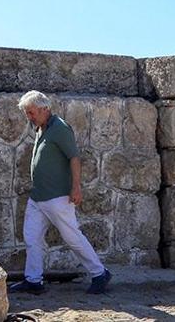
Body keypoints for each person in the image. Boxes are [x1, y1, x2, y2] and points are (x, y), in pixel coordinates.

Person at [9, 90, 111, 295]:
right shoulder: (41, 128)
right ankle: (33, 280)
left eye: (31, 112)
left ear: (44, 109)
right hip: (38, 196)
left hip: (57, 197)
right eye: (27, 113)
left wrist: (76, 187)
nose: (29, 117)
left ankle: (99, 273)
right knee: (32, 238)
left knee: (72, 237)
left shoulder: (60, 128)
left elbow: (74, 157)